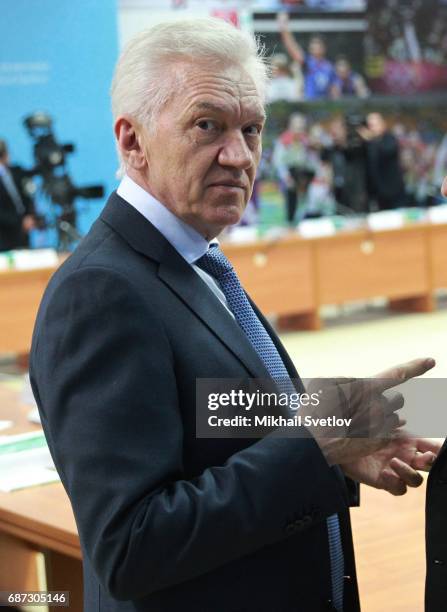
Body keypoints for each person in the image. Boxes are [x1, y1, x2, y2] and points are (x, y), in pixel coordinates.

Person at [29, 19, 439, 612]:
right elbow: (129, 546)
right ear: (132, 142)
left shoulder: (193, 259)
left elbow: (215, 427)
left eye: (252, 129)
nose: (240, 155)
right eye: (207, 126)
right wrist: (314, 445)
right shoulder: (98, 294)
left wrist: (340, 450)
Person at [278, 13, 337, 100]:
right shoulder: (307, 62)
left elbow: (334, 90)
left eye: (318, 44)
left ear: (324, 48)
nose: (314, 47)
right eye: (313, 45)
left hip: (325, 106)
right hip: (309, 106)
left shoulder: (329, 66)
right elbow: (292, 47)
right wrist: (283, 27)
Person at [359, 112, 407, 211]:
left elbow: (387, 151)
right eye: (369, 125)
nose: (371, 128)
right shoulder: (367, 144)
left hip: (394, 192)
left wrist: (371, 139)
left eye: (374, 125)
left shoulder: (389, 138)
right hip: (378, 194)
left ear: (383, 125)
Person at [0, 139, 36, 251]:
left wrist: (30, 216)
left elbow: (28, 196)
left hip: (23, 233)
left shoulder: (17, 171)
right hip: (4, 236)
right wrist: (20, 222)